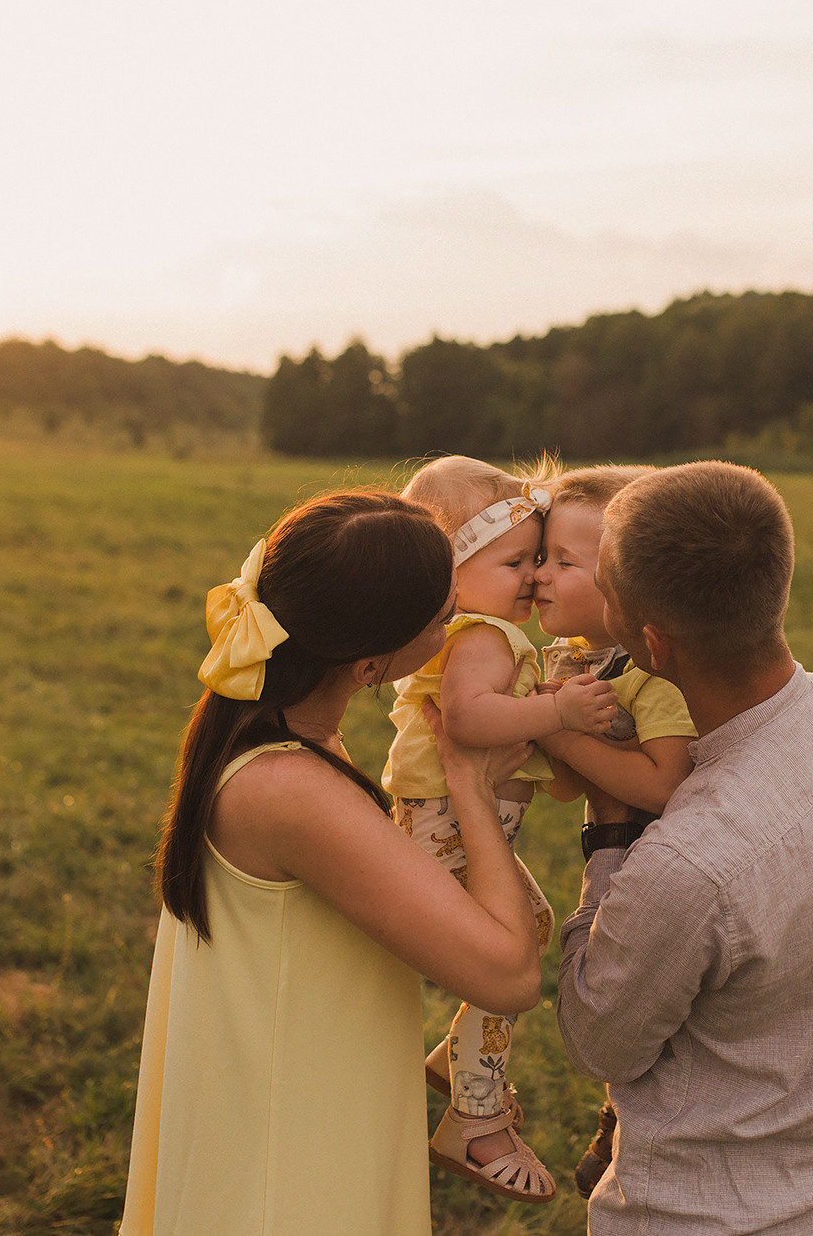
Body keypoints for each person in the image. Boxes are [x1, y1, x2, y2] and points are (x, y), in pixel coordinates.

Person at [555, 461, 813, 1234]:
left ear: (651, 642)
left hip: (694, 1216)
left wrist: (612, 836)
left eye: (602, 583)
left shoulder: (686, 860)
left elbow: (598, 1037)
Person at [121, 490, 544, 1236]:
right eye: (445, 618)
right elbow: (507, 972)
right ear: (371, 663)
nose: (458, 627)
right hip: (287, 1174)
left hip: (297, 1117)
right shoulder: (290, 790)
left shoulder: (276, 734)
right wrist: (471, 789)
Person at [382, 455, 619, 1204]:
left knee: (537, 919)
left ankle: (455, 1060)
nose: (533, 576)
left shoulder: (495, 633)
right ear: (454, 575)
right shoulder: (481, 633)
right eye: (517, 560)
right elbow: (469, 719)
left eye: (542, 558)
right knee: (504, 956)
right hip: (444, 825)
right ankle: (475, 1116)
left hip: (461, 822)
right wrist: (558, 712)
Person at [525, 464, 699, 1197]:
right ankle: (617, 1118)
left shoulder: (650, 680)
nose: (539, 574)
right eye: (541, 555)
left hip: (664, 878)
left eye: (565, 563)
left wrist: (563, 738)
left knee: (645, 1010)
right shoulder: (573, 664)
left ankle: (627, 1127)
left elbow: (664, 779)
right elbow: (571, 789)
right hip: (612, 856)